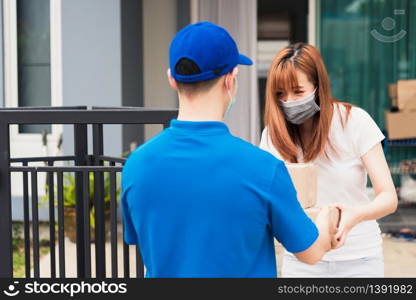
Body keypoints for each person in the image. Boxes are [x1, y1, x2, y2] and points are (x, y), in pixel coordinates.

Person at [121, 22, 336, 278]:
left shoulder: (136, 165)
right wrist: (328, 219)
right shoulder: (263, 168)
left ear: (171, 79)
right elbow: (310, 252)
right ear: (230, 80)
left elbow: (139, 238)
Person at [259, 43, 398, 277]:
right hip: (303, 260)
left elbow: (388, 198)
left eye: (298, 91)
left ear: (318, 86)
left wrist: (356, 215)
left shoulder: (354, 122)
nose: (289, 101)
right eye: (280, 94)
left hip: (359, 258)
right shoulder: (272, 136)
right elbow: (268, 200)